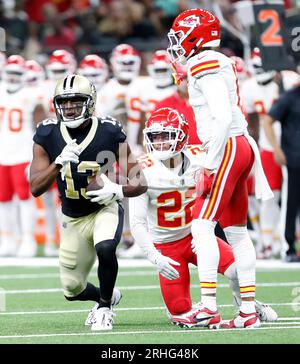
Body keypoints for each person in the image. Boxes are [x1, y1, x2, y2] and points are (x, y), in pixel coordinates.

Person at [167, 8, 273, 329]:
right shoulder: (210, 61)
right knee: (237, 234)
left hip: (225, 146)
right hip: (239, 145)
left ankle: (209, 305)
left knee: (200, 226)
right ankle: (248, 312)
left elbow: (222, 116)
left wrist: (209, 163)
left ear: (195, 36)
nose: (177, 44)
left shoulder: (205, 62)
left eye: (182, 36)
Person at [129, 107, 277, 327]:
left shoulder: (203, 157)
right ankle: (211, 308)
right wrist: (155, 257)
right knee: (180, 311)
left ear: (181, 137)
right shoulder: (141, 169)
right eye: (154, 137)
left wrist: (207, 231)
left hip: (196, 235)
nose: (159, 142)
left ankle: (247, 304)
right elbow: (137, 223)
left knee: (238, 270)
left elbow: (225, 191)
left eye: (165, 136)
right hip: (166, 246)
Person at [29, 74, 147, 331]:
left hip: (103, 208)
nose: (70, 107)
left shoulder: (108, 130)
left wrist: (116, 190)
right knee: (71, 289)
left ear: (91, 102)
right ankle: (107, 295)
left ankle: (104, 308)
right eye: (64, 102)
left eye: (76, 101)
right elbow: (35, 188)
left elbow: (141, 182)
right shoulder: (47, 133)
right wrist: (57, 163)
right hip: (72, 216)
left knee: (106, 248)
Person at [0, 55, 46, 257]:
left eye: (17, 73)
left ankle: (28, 239)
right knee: (3, 199)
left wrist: (36, 158)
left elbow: (40, 129)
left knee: (25, 198)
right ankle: (8, 238)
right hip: (3, 153)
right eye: (10, 72)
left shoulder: (32, 95)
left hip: (22, 154)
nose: (13, 77)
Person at [263, 79, 300, 262]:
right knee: (290, 204)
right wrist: (276, 150)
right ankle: (289, 248)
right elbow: (267, 121)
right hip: (294, 160)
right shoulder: (289, 97)